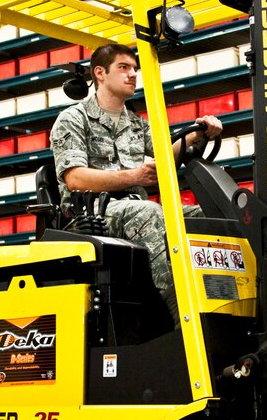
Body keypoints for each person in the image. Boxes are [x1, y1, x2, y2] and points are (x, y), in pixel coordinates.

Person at [49, 43, 223, 323]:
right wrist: (135, 177)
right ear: (100, 73)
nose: (132, 75)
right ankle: (181, 316)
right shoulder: (73, 118)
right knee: (149, 212)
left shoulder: (136, 123)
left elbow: (167, 155)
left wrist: (199, 134)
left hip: (133, 209)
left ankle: (222, 306)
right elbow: (76, 178)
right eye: (123, 67)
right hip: (91, 213)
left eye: (134, 69)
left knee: (210, 214)